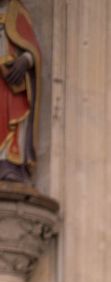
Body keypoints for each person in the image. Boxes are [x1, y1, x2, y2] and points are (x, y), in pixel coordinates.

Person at [0, 0, 40, 182]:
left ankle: (9, 164)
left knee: (12, 119)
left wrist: (25, 60)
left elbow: (33, 49)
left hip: (10, 81)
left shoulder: (17, 12)